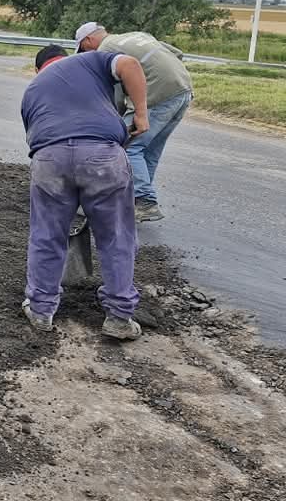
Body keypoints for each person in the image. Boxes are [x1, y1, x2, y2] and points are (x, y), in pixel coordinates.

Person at [20, 44, 149, 340]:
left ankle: (41, 310)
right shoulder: (90, 60)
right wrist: (141, 114)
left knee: (46, 234)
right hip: (103, 156)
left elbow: (38, 139)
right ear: (66, 59)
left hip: (49, 160)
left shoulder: (32, 90)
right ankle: (118, 317)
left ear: (40, 69)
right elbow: (129, 64)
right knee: (116, 235)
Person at [75, 22, 192, 222]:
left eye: (83, 49)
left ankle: (145, 201)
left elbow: (117, 96)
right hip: (183, 89)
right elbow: (177, 54)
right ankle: (135, 201)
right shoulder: (136, 35)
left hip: (158, 94)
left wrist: (125, 116)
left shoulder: (104, 51)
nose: (85, 54)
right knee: (149, 149)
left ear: (88, 41)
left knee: (126, 146)